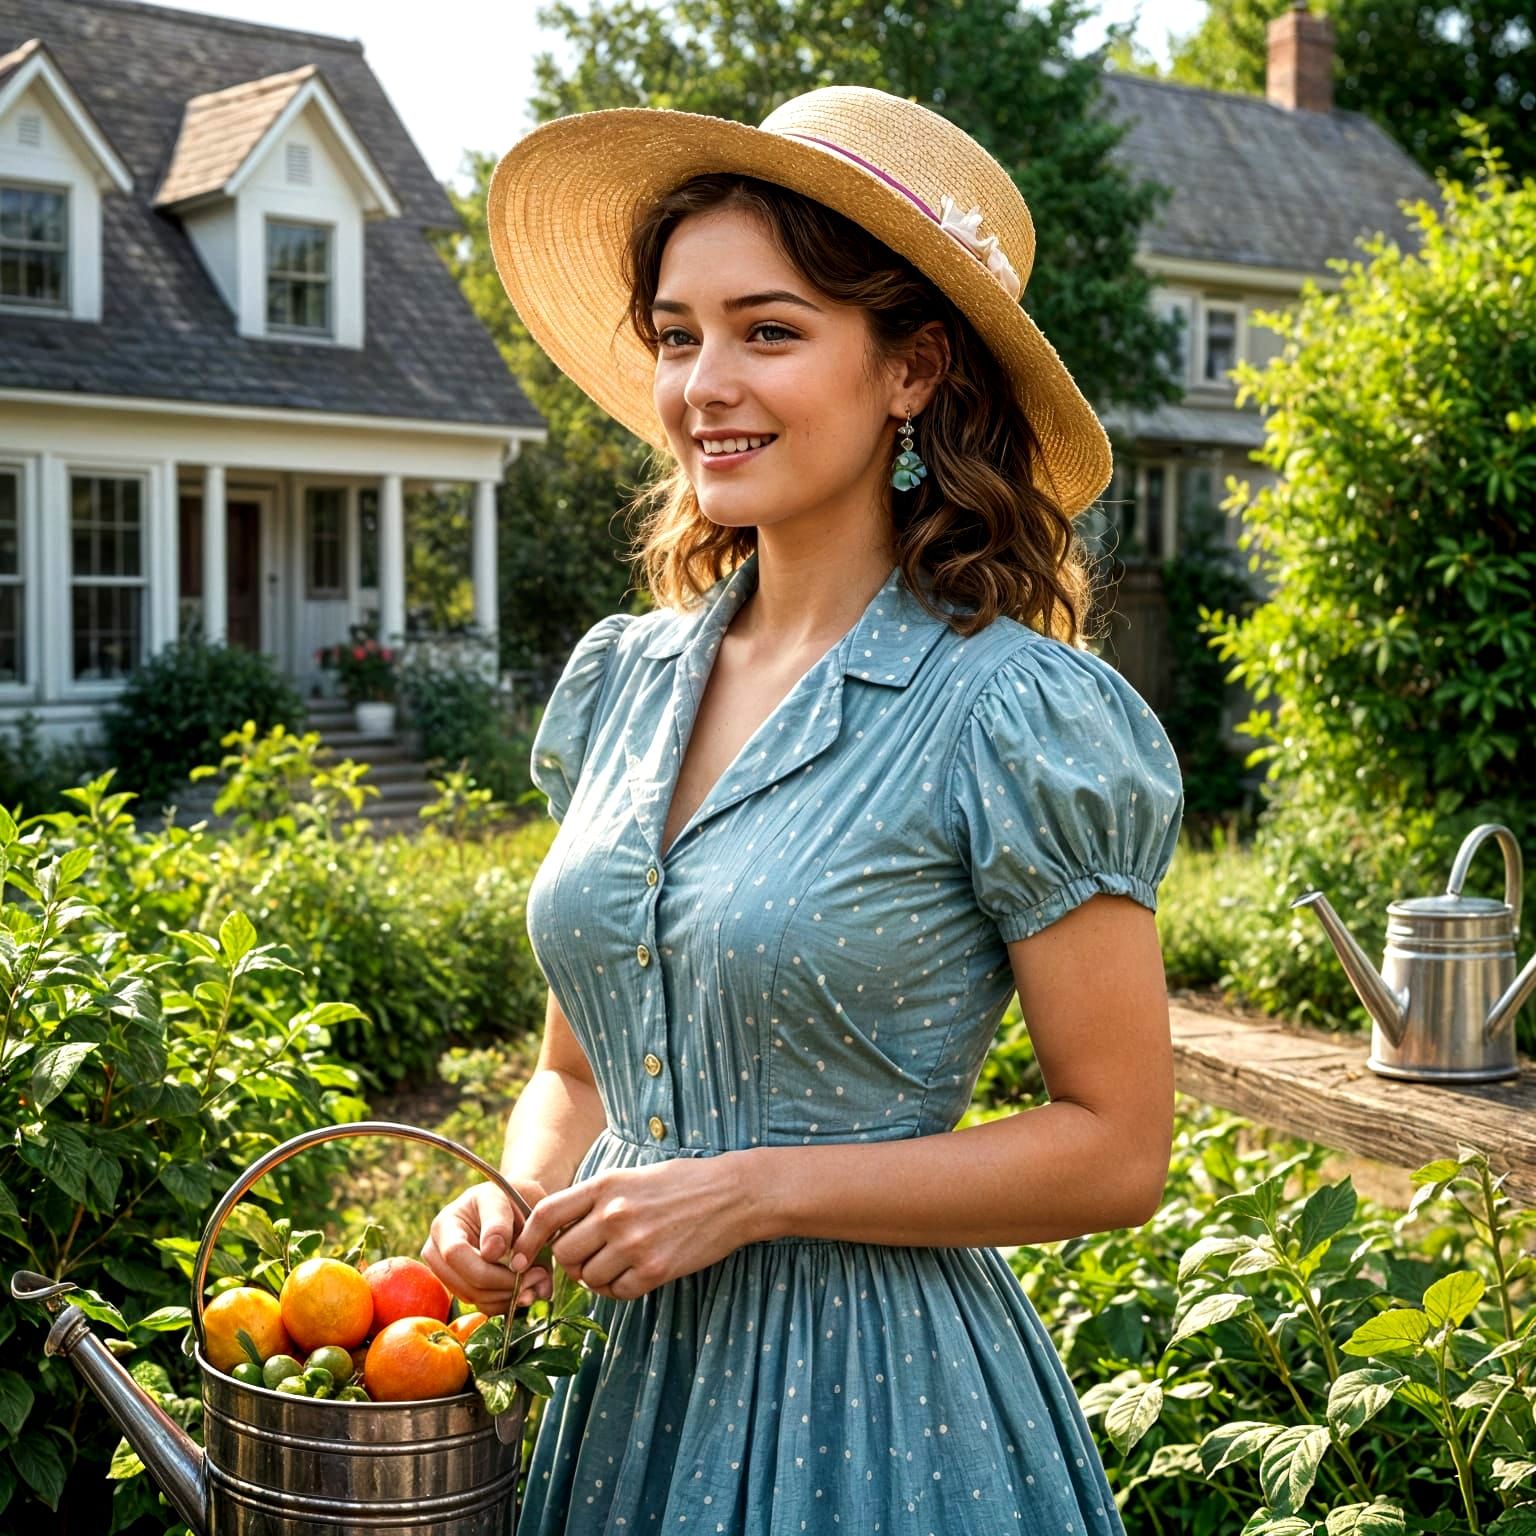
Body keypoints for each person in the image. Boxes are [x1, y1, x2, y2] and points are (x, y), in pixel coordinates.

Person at [422, 84, 1185, 1534]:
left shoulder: (1011, 712)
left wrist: (755, 1190)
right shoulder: (624, 680)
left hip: (875, 1414)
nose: (704, 384)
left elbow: (1116, 1145)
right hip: (623, 1388)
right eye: (677, 335)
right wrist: (512, 1202)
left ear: (912, 369)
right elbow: (579, 1075)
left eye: (768, 331)